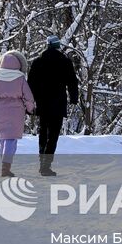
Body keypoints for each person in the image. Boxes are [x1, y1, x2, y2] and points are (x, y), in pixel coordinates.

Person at [26, 36, 80, 176]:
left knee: (43, 132)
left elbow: (30, 83)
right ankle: (46, 164)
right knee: (54, 134)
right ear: (58, 46)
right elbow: (72, 82)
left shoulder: (38, 62)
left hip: (42, 103)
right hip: (58, 102)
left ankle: (42, 160)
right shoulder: (65, 61)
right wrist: (74, 98)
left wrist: (30, 101)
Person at [0, 50, 36, 177]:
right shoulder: (20, 79)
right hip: (16, 113)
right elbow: (29, 97)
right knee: (11, 140)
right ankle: (5, 168)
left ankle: (4, 166)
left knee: (3, 140)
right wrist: (30, 109)